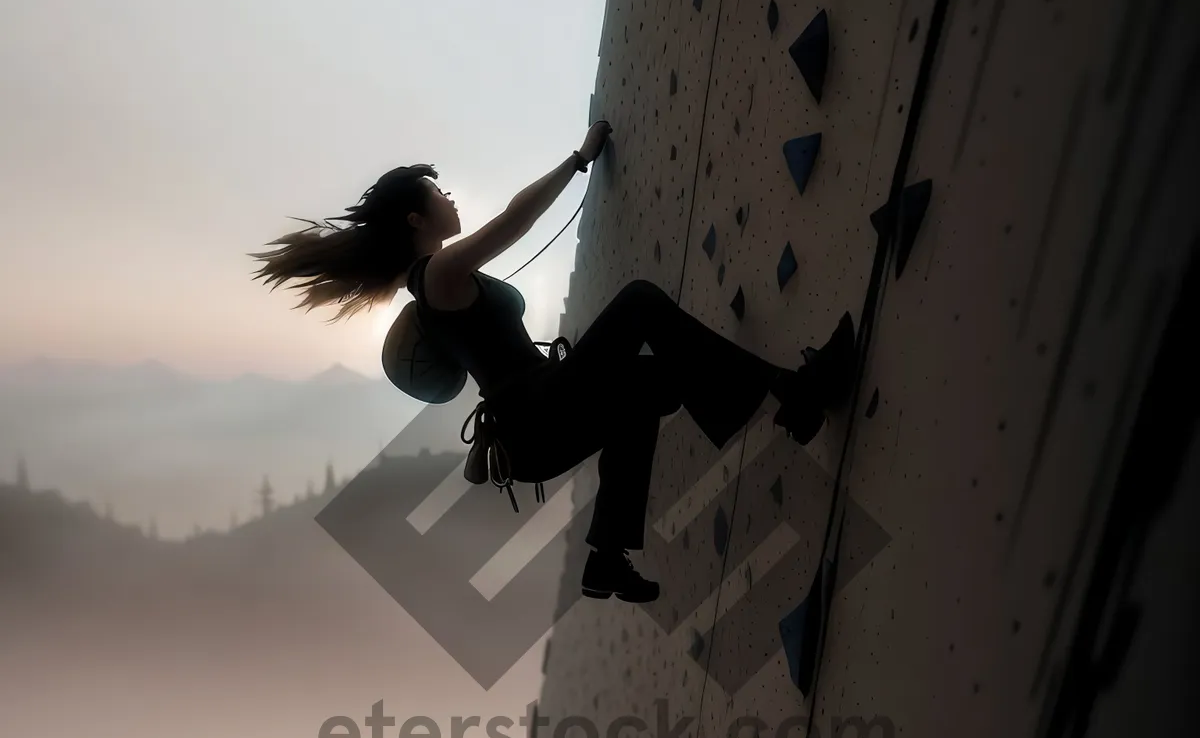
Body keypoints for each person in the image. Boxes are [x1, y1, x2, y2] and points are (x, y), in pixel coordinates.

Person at [249, 121, 855, 603]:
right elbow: (516, 220)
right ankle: (792, 395)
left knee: (646, 390)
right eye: (437, 192)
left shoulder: (434, 283)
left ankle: (607, 558)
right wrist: (579, 157)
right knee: (640, 302)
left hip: (535, 420)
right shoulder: (437, 274)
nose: (448, 195)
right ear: (416, 218)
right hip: (533, 408)